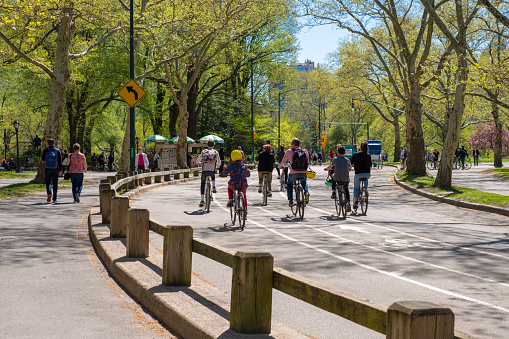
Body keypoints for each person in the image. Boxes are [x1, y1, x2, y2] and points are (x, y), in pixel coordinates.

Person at [280, 138, 310, 207]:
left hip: (293, 173)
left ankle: (290, 200)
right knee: (304, 182)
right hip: (303, 172)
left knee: (289, 184)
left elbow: (284, 160)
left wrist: (281, 166)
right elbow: (307, 161)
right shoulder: (304, 151)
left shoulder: (289, 151)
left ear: (293, 144)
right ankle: (306, 193)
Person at [324, 145, 352, 212]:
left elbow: (330, 166)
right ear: (345, 153)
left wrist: (326, 169)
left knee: (333, 177)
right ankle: (348, 203)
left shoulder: (335, 159)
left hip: (337, 178)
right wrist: (349, 169)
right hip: (345, 178)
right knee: (346, 189)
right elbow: (350, 167)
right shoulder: (347, 160)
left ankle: (333, 192)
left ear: (337, 153)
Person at [197, 140, 221, 208]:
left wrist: (199, 163)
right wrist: (217, 165)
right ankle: (213, 186)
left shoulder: (204, 151)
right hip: (212, 170)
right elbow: (219, 162)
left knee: (202, 183)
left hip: (204, 170)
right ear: (213, 145)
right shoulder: (215, 152)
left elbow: (198, 160)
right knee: (213, 173)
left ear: (207, 145)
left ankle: (202, 199)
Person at [350, 141, 372, 211]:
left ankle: (355, 201)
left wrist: (350, 169)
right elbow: (370, 166)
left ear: (360, 147)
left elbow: (351, 164)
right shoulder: (368, 155)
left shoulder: (355, 155)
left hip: (358, 174)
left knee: (356, 188)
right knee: (366, 177)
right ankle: (366, 189)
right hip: (367, 174)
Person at [41, 138, 63, 203]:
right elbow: (60, 161)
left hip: (47, 168)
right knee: (55, 183)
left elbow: (42, 159)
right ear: (54, 143)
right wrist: (61, 170)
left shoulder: (46, 150)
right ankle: (55, 199)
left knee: (48, 182)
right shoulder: (57, 150)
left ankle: (49, 193)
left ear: (48, 144)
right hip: (55, 168)